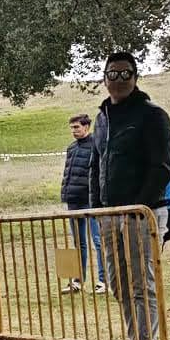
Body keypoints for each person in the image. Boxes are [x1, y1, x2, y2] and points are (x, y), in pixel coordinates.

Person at [89, 52, 170, 340]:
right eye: (112, 73)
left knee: (142, 284)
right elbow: (98, 164)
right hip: (109, 216)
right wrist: (97, 210)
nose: (118, 79)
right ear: (104, 77)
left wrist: (138, 208)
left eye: (125, 74)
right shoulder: (103, 119)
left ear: (135, 78)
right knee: (117, 282)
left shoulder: (152, 116)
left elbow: (162, 167)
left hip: (142, 214)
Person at [60, 111, 105, 289]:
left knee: (98, 240)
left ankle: (103, 280)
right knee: (77, 242)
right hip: (73, 200)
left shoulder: (96, 145)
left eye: (76, 127)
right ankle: (76, 280)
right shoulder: (71, 148)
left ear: (86, 127)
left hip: (91, 200)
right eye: (71, 128)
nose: (73, 131)